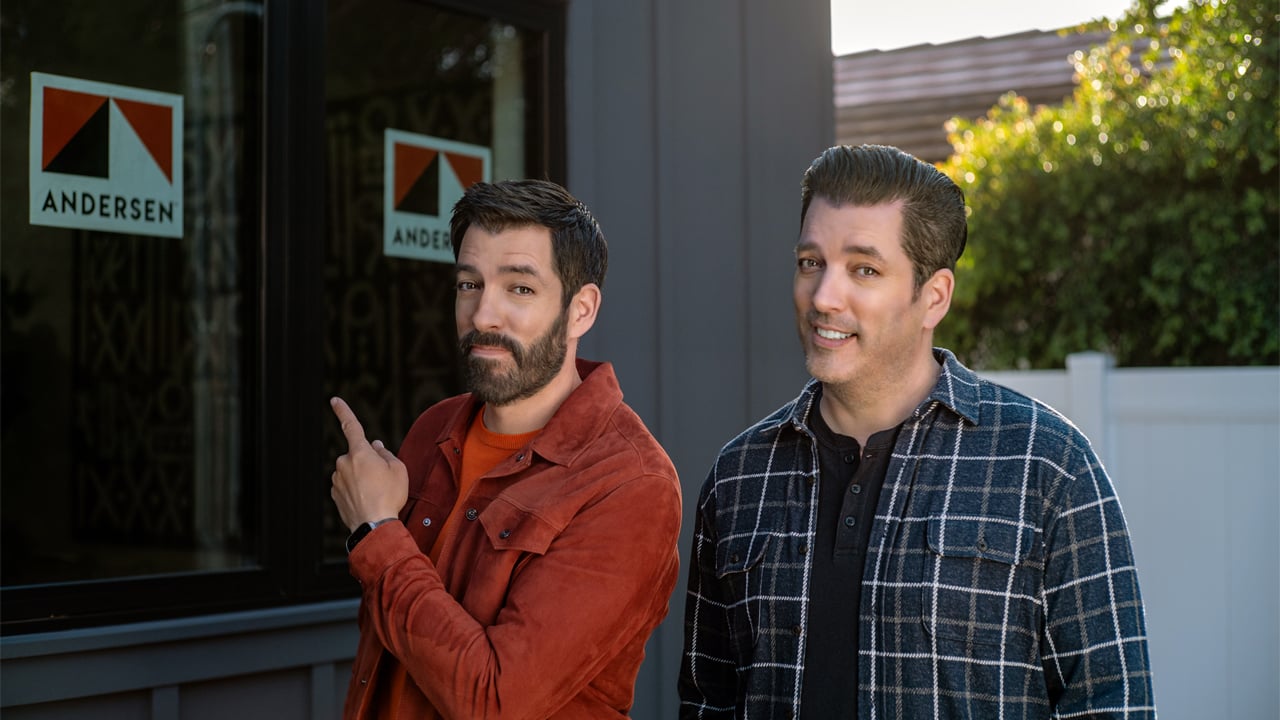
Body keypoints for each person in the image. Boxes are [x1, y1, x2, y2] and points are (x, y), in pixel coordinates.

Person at [677, 144, 1155, 719]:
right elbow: (708, 705)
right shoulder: (739, 476)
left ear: (934, 298)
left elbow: (1112, 704)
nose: (823, 297)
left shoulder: (1046, 465)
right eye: (810, 262)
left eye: (864, 269)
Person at [330, 178, 682, 719]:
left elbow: (496, 701)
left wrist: (377, 532)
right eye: (470, 284)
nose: (483, 315)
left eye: (519, 288)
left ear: (581, 310)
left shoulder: (631, 484)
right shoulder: (433, 431)